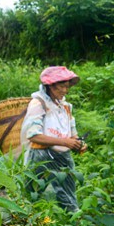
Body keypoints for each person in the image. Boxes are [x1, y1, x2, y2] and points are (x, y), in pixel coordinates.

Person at [20, 66, 86, 212]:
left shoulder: (65, 107)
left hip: (62, 155)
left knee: (68, 194)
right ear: (50, 85)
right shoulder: (38, 104)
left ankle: (75, 224)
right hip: (40, 156)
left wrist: (78, 143)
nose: (64, 90)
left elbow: (72, 132)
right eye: (61, 86)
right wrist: (64, 142)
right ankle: (30, 223)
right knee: (33, 193)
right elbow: (33, 135)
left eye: (67, 87)